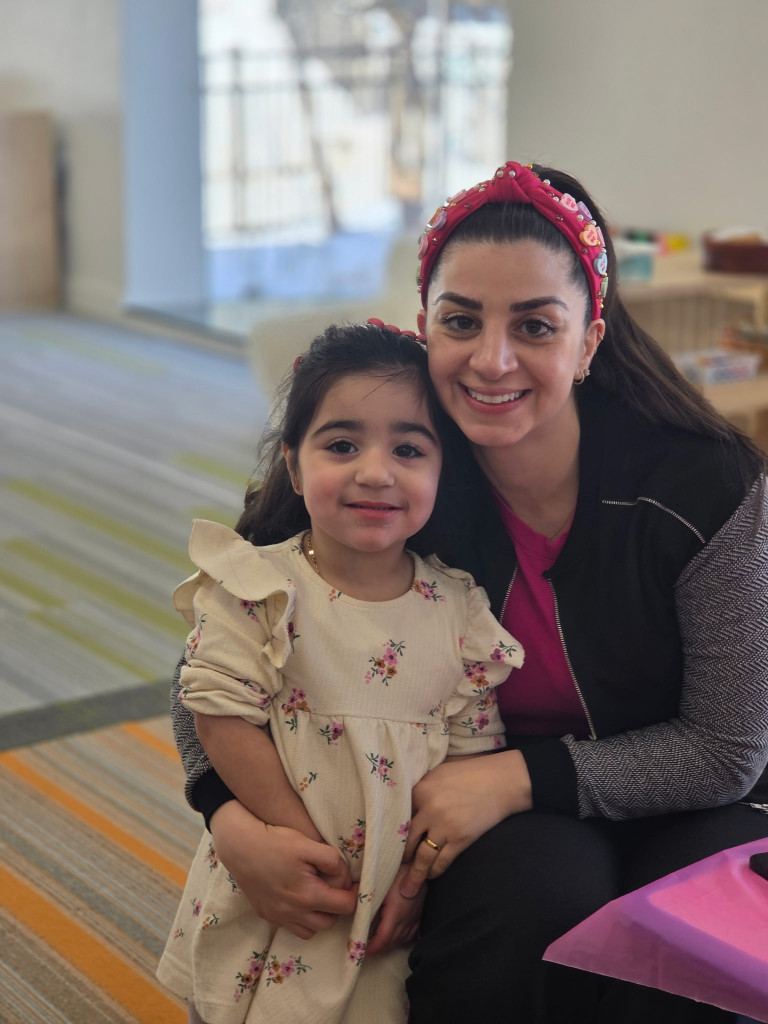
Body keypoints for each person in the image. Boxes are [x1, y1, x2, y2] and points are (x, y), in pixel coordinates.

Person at [170, 161, 768, 1023]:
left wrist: (517, 777)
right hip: (478, 796)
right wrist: (230, 820)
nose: (492, 359)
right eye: (461, 321)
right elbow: (217, 653)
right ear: (426, 327)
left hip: (686, 791)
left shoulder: (702, 482)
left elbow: (726, 748)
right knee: (521, 915)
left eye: (535, 325)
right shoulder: (397, 466)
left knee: (695, 952)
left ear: (589, 341)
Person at [156, 320, 524, 1024]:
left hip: (386, 907)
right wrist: (291, 843)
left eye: (408, 449)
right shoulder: (258, 588)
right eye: (342, 445)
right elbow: (216, 711)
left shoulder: (461, 614)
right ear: (294, 467)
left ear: (443, 472)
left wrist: (413, 882)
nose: (376, 472)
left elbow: (469, 760)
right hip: (271, 867)